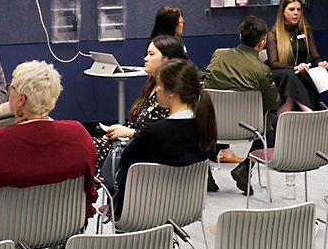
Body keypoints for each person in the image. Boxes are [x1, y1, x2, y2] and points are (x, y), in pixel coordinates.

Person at [0, 60, 97, 242]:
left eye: (12, 88)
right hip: (66, 228)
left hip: (4, 234)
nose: (9, 92)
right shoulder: (79, 135)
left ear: (21, 99)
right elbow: (90, 189)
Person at [113, 58, 217, 216]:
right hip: (187, 209)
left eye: (159, 84)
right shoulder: (205, 127)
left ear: (172, 91)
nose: (157, 89)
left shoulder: (153, 132)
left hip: (142, 210)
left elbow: (125, 160)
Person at [93, 35, 187, 183]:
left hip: (143, 153)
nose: (145, 58)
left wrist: (129, 133)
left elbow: (164, 136)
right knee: (88, 146)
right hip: (132, 144)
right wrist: (119, 132)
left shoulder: (172, 95)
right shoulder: (151, 86)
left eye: (151, 54)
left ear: (167, 60)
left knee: (91, 149)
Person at [204, 15, 282, 192]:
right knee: (273, 123)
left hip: (213, 127)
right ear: (262, 43)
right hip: (247, 128)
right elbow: (274, 102)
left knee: (213, 114)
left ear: (240, 36)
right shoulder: (261, 70)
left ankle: (204, 170)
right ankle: (246, 167)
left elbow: (208, 88)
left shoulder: (218, 55)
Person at [266, 0, 328, 111]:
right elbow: (273, 63)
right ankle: (309, 112)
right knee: (290, 77)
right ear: (283, 12)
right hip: (280, 74)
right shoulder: (273, 33)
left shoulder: (306, 30)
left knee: (293, 83)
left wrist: (320, 63)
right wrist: (295, 68)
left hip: (301, 74)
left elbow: (315, 56)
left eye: (298, 10)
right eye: (291, 9)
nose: (296, 13)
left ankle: (285, 118)